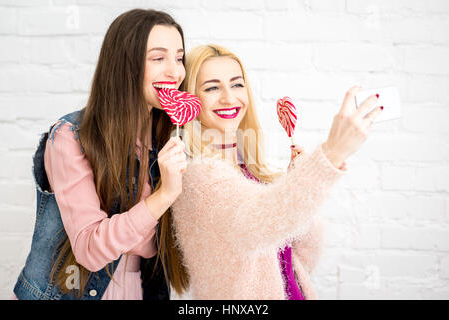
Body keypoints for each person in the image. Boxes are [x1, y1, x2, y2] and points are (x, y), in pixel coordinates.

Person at [162, 44, 383, 299]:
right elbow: (254, 224)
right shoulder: (198, 175)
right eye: (212, 87)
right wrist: (331, 154)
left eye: (237, 84)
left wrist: (294, 185)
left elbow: (303, 259)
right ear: (189, 98)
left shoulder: (251, 170)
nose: (229, 98)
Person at [12, 9, 187, 300]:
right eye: (158, 58)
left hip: (139, 290)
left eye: (179, 58)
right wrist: (164, 195)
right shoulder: (71, 136)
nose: (175, 71)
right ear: (125, 65)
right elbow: (90, 251)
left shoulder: (167, 143)